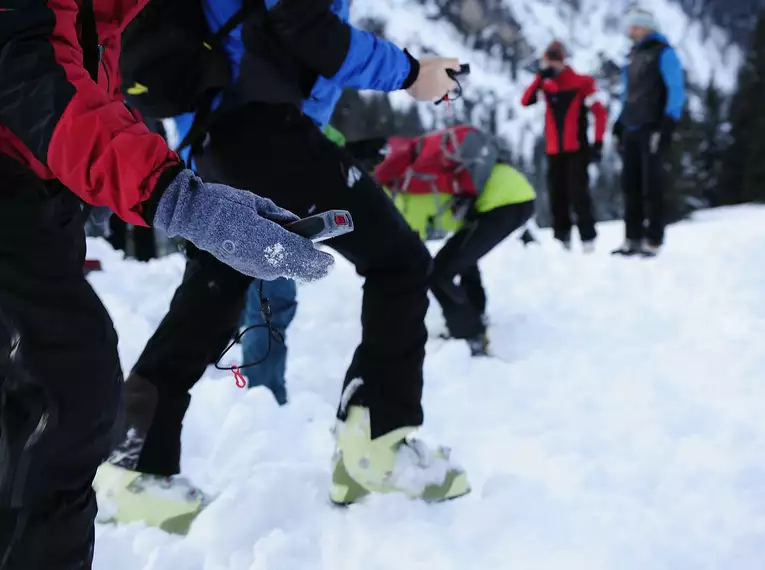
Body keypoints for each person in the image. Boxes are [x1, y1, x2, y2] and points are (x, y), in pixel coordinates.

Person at [97, 0, 471, 531]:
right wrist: (412, 72)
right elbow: (309, 29)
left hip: (214, 136)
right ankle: (377, 446)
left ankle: (132, 465)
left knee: (214, 289)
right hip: (265, 131)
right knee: (400, 263)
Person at [0, 1, 335, 568]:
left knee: (46, 394)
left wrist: (96, 185)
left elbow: (75, 81)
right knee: (64, 388)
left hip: (36, 188)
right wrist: (178, 197)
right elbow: (25, 71)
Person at [373, 126, 536, 356]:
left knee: (439, 272)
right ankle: (475, 315)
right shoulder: (405, 181)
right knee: (459, 258)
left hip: (504, 204)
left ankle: (471, 336)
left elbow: (409, 253)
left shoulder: (401, 196)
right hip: (512, 196)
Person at [611, 8, 685, 257]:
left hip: (652, 127)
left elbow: (676, 89)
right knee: (630, 186)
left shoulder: (664, 53)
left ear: (646, 28)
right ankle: (632, 238)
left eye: (635, 27)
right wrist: (619, 123)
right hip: (631, 126)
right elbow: (627, 95)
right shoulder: (632, 56)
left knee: (651, 186)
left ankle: (653, 239)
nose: (630, 31)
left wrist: (668, 123)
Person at [521, 41, 607, 253]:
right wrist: (540, 78)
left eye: (554, 60)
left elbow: (599, 112)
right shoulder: (546, 84)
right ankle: (563, 239)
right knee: (556, 195)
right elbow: (525, 101)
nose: (551, 64)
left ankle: (588, 239)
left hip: (576, 148)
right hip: (553, 149)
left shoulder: (581, 82)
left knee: (579, 195)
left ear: (563, 60)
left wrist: (597, 143)